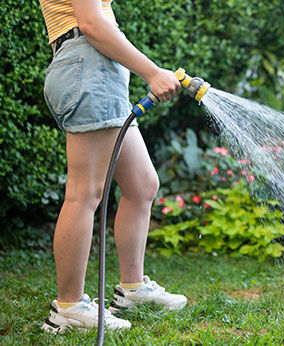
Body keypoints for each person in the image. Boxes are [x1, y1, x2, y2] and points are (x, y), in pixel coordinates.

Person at [39, 0, 186, 333]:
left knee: (141, 184)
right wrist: (151, 72)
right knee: (84, 194)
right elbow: (91, 22)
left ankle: (132, 289)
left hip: (98, 68)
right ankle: (69, 307)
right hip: (88, 64)